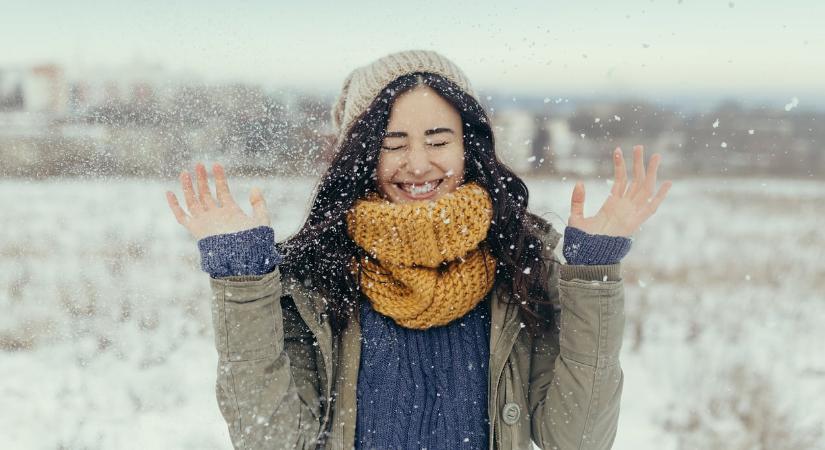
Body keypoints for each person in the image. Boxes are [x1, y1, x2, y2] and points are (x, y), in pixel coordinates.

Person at [165, 50, 672, 450]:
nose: (418, 164)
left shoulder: (521, 265)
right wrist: (241, 279)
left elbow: (577, 439)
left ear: (468, 145)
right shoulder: (317, 277)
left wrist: (595, 271)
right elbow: (271, 440)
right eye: (392, 142)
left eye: (438, 139)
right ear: (362, 155)